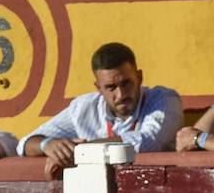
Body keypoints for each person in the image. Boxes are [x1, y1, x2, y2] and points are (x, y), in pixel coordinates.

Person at [19, 42, 182, 175]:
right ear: (98, 88)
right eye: (111, 87)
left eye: (126, 83)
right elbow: (25, 143)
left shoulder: (164, 99)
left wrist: (79, 150)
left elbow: (147, 142)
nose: (121, 94)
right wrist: (48, 145)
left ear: (139, 77)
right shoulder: (83, 107)